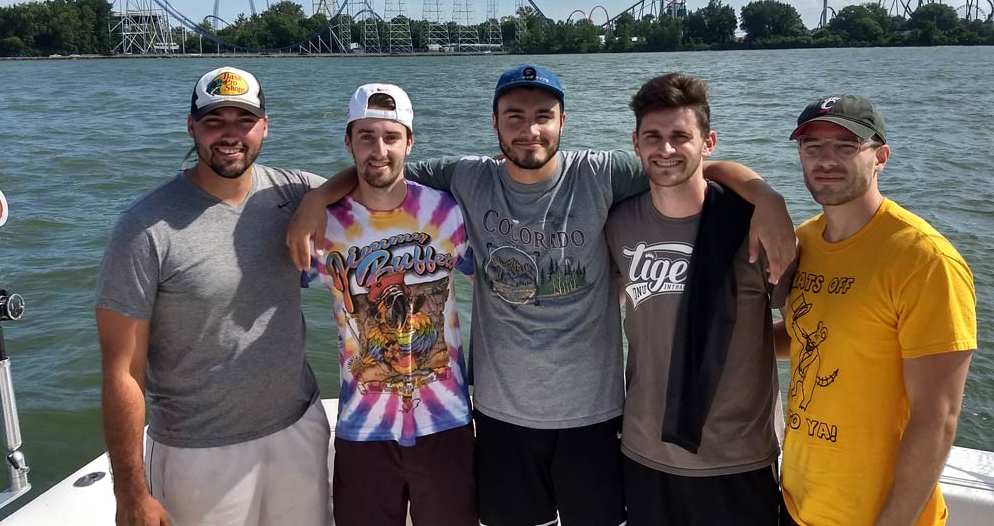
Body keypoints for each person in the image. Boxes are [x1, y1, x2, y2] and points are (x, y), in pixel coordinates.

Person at [288, 64, 796, 526]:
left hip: (594, 414)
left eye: (542, 116)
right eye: (514, 116)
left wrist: (765, 196)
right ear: (494, 124)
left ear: (562, 121)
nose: (529, 129)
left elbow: (686, 162)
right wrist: (317, 198)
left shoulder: (601, 174)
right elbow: (382, 169)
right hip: (500, 413)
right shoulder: (467, 177)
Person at [95, 66, 331, 526]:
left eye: (243, 120)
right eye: (213, 121)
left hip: (299, 427)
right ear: (191, 127)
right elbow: (122, 371)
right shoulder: (143, 227)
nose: (230, 135)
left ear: (265, 125)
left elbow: (365, 183)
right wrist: (130, 493)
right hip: (197, 453)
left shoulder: (295, 191)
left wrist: (320, 200)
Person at [778, 94, 976, 526]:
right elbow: (803, 335)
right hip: (798, 502)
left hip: (874, 516)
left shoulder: (924, 260)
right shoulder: (804, 241)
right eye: (812, 147)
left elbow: (938, 417)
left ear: (880, 156)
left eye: (846, 147)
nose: (826, 160)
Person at [604, 73, 789, 525]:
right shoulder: (617, 223)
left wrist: (743, 343)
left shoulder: (755, 226)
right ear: (635, 143)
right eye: (653, 137)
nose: (665, 150)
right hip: (644, 450)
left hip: (738, 459)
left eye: (680, 137)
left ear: (708, 142)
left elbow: (809, 331)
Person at [302, 83, 477, 526]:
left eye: (391, 137)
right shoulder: (323, 228)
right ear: (348, 142)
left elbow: (502, 276)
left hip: (447, 424)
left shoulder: (449, 213)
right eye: (366, 136)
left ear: (410, 143)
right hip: (363, 429)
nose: (379, 149)